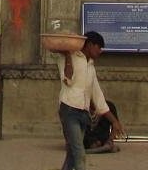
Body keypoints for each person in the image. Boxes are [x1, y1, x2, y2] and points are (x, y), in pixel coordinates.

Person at [53, 30, 125, 170]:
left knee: (72, 154)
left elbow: (98, 98)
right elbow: (68, 80)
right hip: (69, 111)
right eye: (99, 47)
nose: (100, 51)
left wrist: (114, 121)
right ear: (90, 45)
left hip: (83, 114)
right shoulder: (68, 58)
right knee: (79, 154)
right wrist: (67, 55)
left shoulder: (91, 67)